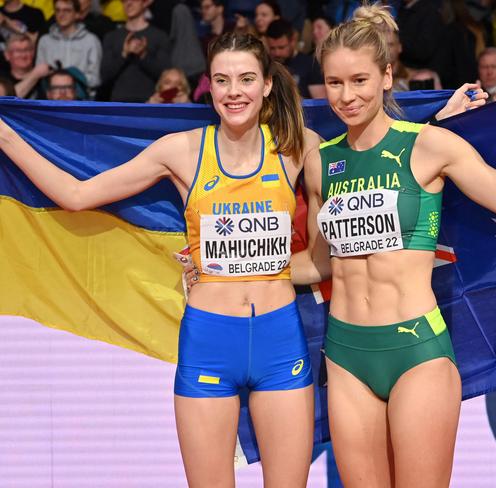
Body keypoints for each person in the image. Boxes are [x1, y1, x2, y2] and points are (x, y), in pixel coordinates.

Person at [289, 4, 496, 487]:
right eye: (335, 83)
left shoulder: (432, 146)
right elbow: (319, 263)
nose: (347, 96)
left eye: (359, 80)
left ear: (387, 76)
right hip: (345, 355)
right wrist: (227, 267)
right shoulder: (319, 162)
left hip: (417, 352)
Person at [0, 31, 321, 487]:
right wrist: (5, 137)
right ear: (209, 86)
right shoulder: (181, 150)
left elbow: (342, 226)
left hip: (280, 340)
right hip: (210, 345)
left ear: (268, 84)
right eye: (223, 80)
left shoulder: (298, 146)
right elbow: (77, 195)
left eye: (247, 79)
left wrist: (443, 118)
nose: (235, 92)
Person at [35, 0, 102, 95]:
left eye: (67, 10)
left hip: (82, 100)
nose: (61, 14)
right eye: (58, 10)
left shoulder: (91, 40)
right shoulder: (45, 41)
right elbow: (40, 76)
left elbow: (95, 79)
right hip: (52, 100)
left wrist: (71, 81)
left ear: (77, 14)